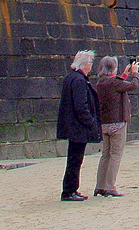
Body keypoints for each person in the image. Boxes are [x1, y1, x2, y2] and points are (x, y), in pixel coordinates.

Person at [56, 50, 101, 201]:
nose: (91, 67)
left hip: (72, 125)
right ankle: (69, 191)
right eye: (90, 63)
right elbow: (81, 106)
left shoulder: (71, 77)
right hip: (77, 127)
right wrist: (91, 122)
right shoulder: (79, 80)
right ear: (84, 64)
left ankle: (71, 189)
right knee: (75, 160)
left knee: (74, 159)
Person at [92, 55, 139, 197]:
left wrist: (125, 74)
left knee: (105, 155)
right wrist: (135, 73)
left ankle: (100, 186)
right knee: (115, 155)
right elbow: (133, 86)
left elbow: (117, 84)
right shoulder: (114, 83)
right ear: (113, 68)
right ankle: (110, 186)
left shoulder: (101, 83)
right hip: (117, 123)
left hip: (105, 123)